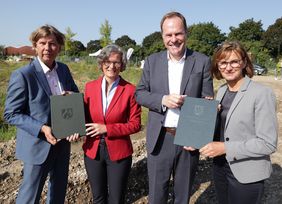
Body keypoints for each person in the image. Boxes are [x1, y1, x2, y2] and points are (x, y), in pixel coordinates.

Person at [135, 11, 214, 204]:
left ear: (186, 33)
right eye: (168, 35)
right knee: (156, 195)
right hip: (160, 138)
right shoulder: (152, 61)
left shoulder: (202, 61)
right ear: (162, 36)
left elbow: (207, 100)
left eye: (178, 33)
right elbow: (140, 93)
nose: (174, 39)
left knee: (183, 195)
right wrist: (163, 100)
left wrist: (198, 136)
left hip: (188, 139)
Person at [4, 25, 79, 204]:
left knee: (58, 193)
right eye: (43, 43)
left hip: (62, 144)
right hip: (37, 145)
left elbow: (75, 95)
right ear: (35, 46)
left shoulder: (63, 70)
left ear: (59, 47)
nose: (47, 48)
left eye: (52, 44)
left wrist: (73, 99)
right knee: (30, 196)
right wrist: (42, 128)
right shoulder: (23, 75)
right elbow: (11, 113)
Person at [200, 41, 278, 204]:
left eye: (234, 61)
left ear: (243, 62)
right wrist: (195, 134)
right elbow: (224, 129)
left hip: (247, 172)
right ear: (217, 65)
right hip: (220, 167)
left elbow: (268, 144)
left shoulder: (261, 93)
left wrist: (225, 148)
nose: (228, 67)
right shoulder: (221, 91)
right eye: (223, 62)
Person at [83, 44, 141, 204]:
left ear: (122, 65)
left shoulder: (130, 90)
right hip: (92, 150)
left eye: (116, 62)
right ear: (101, 63)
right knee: (98, 198)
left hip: (119, 152)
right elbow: (83, 118)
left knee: (116, 199)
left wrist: (107, 129)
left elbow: (135, 124)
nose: (111, 66)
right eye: (107, 61)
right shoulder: (89, 87)